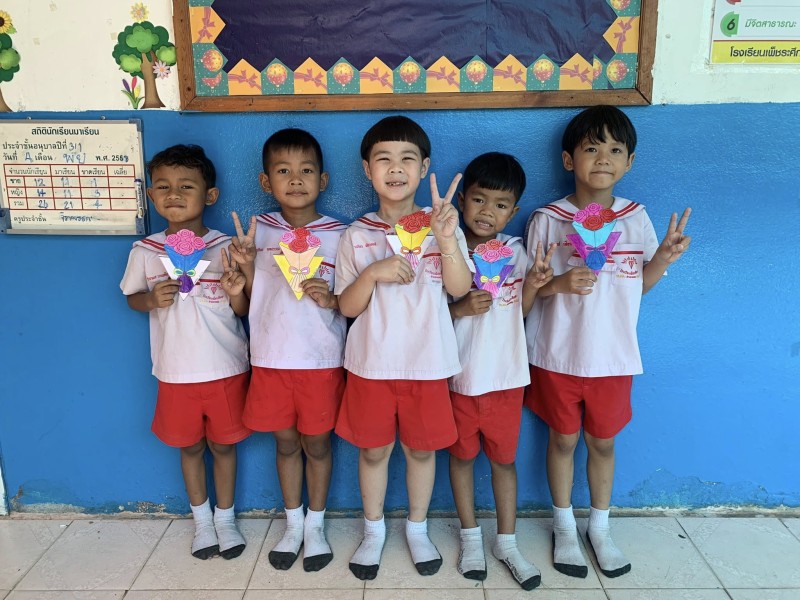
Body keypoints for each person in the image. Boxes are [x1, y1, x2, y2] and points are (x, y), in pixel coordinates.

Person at [524, 105, 691, 579]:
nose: (603, 158)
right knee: (562, 439)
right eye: (591, 148)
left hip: (613, 357)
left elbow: (639, 286)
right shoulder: (548, 219)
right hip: (556, 354)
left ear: (629, 162)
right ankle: (563, 526)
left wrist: (663, 259)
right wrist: (559, 282)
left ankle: (599, 527)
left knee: (602, 442)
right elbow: (527, 290)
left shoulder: (636, 219)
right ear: (568, 159)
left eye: (616, 150)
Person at [334, 115, 472, 580]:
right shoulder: (356, 234)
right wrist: (373, 273)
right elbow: (347, 307)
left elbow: (459, 288)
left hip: (427, 364)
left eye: (407, 159)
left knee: (421, 451)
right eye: (384, 159)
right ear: (367, 169)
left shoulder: (442, 225)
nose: (396, 168)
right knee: (373, 452)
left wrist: (446, 238)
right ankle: (373, 530)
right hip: (371, 366)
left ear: (424, 167)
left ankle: (417, 528)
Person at [120, 144, 250, 560]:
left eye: (186, 186)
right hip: (176, 372)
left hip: (226, 367)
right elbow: (131, 298)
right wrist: (151, 299)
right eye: (163, 186)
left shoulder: (226, 247)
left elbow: (243, 309)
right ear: (151, 195)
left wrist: (236, 292)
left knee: (224, 447)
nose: (173, 194)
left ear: (210, 195)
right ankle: (202, 522)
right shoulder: (146, 251)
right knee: (190, 447)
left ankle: (225, 519)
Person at [227, 129, 347, 572]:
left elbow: (353, 301)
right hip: (270, 360)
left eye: (306, 170)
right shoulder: (256, 234)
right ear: (265, 182)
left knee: (317, 444)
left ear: (323, 179)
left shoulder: (341, 236)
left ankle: (316, 526)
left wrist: (331, 298)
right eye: (283, 171)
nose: (295, 179)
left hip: (321, 360)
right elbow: (247, 303)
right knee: (285, 443)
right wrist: (243, 270)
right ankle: (293, 524)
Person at [447, 152, 554, 590]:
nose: (487, 211)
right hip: (457, 379)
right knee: (461, 459)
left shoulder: (516, 251)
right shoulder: (447, 249)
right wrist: (459, 308)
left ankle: (507, 542)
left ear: (514, 210)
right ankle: (470, 537)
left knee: (503, 462)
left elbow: (522, 311)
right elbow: (426, 313)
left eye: (501, 204)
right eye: (478, 199)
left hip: (506, 380)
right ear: (461, 201)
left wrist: (533, 286)